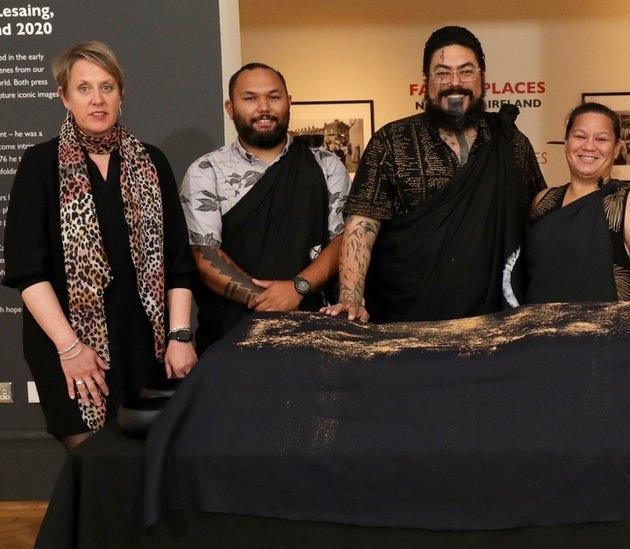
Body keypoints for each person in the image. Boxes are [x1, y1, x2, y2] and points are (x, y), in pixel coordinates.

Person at [2, 41, 196, 450]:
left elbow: (178, 261)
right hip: (67, 344)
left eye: (107, 87)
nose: (97, 99)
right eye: (84, 88)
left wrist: (180, 337)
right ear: (64, 97)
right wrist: (72, 349)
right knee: (93, 467)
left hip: (146, 345)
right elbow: (27, 270)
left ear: (121, 94)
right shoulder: (40, 165)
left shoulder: (152, 161)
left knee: (148, 467)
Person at [325, 26, 546, 323]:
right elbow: (362, 225)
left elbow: (538, 217)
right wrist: (350, 297)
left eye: (466, 71)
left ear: (482, 78)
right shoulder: (392, 141)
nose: (455, 83)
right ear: (426, 82)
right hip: (407, 319)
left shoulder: (512, 143)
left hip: (495, 322)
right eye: (442, 73)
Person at [181, 63, 349, 353]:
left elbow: (342, 240)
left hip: (313, 331)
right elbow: (204, 253)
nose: (264, 107)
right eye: (250, 98)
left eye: (273, 96)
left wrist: (297, 289)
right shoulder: (206, 170)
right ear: (230, 108)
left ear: (288, 102)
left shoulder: (326, 165)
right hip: (232, 333)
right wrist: (267, 300)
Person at [518, 103, 630, 303]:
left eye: (601, 139)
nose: (589, 146)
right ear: (566, 143)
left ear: (617, 149)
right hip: (537, 330)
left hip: (608, 332)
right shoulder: (543, 201)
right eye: (580, 136)